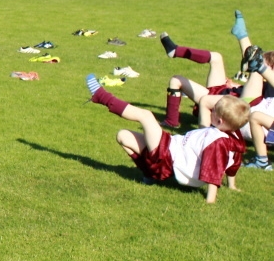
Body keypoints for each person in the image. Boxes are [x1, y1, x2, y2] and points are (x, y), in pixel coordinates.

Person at [86, 73, 247, 203]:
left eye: (214, 111)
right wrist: (232, 185)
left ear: (220, 120)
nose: (210, 112)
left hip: (168, 155)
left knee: (146, 116)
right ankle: (150, 174)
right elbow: (234, 165)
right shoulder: (231, 135)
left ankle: (101, 96)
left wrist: (210, 200)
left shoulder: (218, 142)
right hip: (169, 152)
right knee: (123, 136)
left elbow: (214, 170)